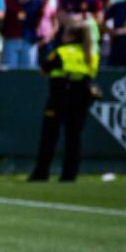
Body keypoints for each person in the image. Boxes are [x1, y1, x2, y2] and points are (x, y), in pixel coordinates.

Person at [34, 14, 98, 182]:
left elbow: (43, 70)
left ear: (70, 36)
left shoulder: (61, 52)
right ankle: (69, 175)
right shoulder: (90, 54)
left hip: (60, 95)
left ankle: (41, 173)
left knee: (49, 135)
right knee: (74, 137)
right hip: (82, 96)